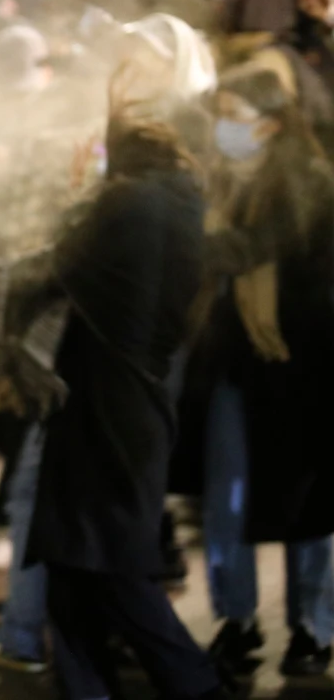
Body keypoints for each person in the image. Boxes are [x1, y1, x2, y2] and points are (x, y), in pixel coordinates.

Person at [26, 112, 225, 700]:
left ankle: (197, 686)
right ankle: (86, 688)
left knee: (110, 571)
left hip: (103, 406)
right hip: (128, 403)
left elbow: (58, 263)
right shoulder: (183, 203)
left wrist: (78, 190)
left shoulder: (128, 204)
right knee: (74, 566)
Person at [185, 67, 334, 676]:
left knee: (308, 505)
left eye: (235, 116)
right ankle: (237, 619)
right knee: (226, 497)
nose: (224, 128)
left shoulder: (309, 183)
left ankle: (313, 627)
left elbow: (249, 248)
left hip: (300, 362)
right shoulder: (222, 179)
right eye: (218, 113)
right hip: (233, 359)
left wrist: (180, 237)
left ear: (271, 124)